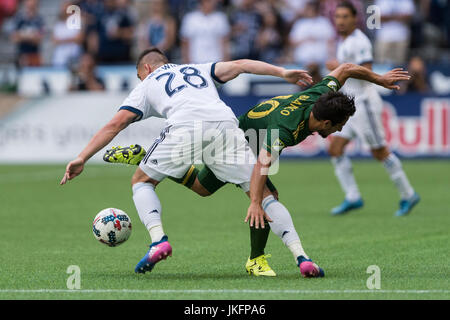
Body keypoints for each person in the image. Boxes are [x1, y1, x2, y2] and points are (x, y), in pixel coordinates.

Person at [102, 51, 410, 276]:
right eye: (339, 125)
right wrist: (254, 201)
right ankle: (284, 258)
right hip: (238, 142)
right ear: (327, 120)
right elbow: (263, 163)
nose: (340, 131)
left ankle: (146, 157)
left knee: (201, 188)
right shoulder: (287, 129)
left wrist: (379, 79)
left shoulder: (321, 93)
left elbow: (344, 69)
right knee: (265, 198)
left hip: (236, 137)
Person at [60, 47, 326, 277]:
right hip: (225, 124)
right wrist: (283, 72)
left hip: (185, 127)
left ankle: (158, 241)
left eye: (139, 75)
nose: (141, 79)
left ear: (147, 68)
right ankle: (302, 258)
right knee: (264, 195)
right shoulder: (198, 69)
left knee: (142, 180)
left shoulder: (148, 82)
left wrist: (82, 157)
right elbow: (240, 65)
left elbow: (116, 123)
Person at [325, 1, 419, 217]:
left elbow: (367, 71)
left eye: (344, 17)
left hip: (364, 103)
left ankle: (408, 194)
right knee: (335, 149)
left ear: (354, 18)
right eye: (337, 17)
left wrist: (340, 67)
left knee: (379, 151)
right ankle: (353, 197)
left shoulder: (359, 42)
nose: (340, 21)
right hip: (349, 104)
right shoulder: (344, 41)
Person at [10, 0, 44, 67]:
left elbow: (38, 40)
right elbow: (14, 38)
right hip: (21, 55)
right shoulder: (19, 18)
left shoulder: (39, 19)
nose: (31, 5)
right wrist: (32, 36)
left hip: (34, 55)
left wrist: (22, 36)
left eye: (33, 3)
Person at [52, 1, 84, 67]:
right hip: (59, 60)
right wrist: (71, 39)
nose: (64, 9)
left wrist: (61, 40)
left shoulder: (77, 21)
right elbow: (54, 40)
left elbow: (79, 39)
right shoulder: (58, 24)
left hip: (74, 58)